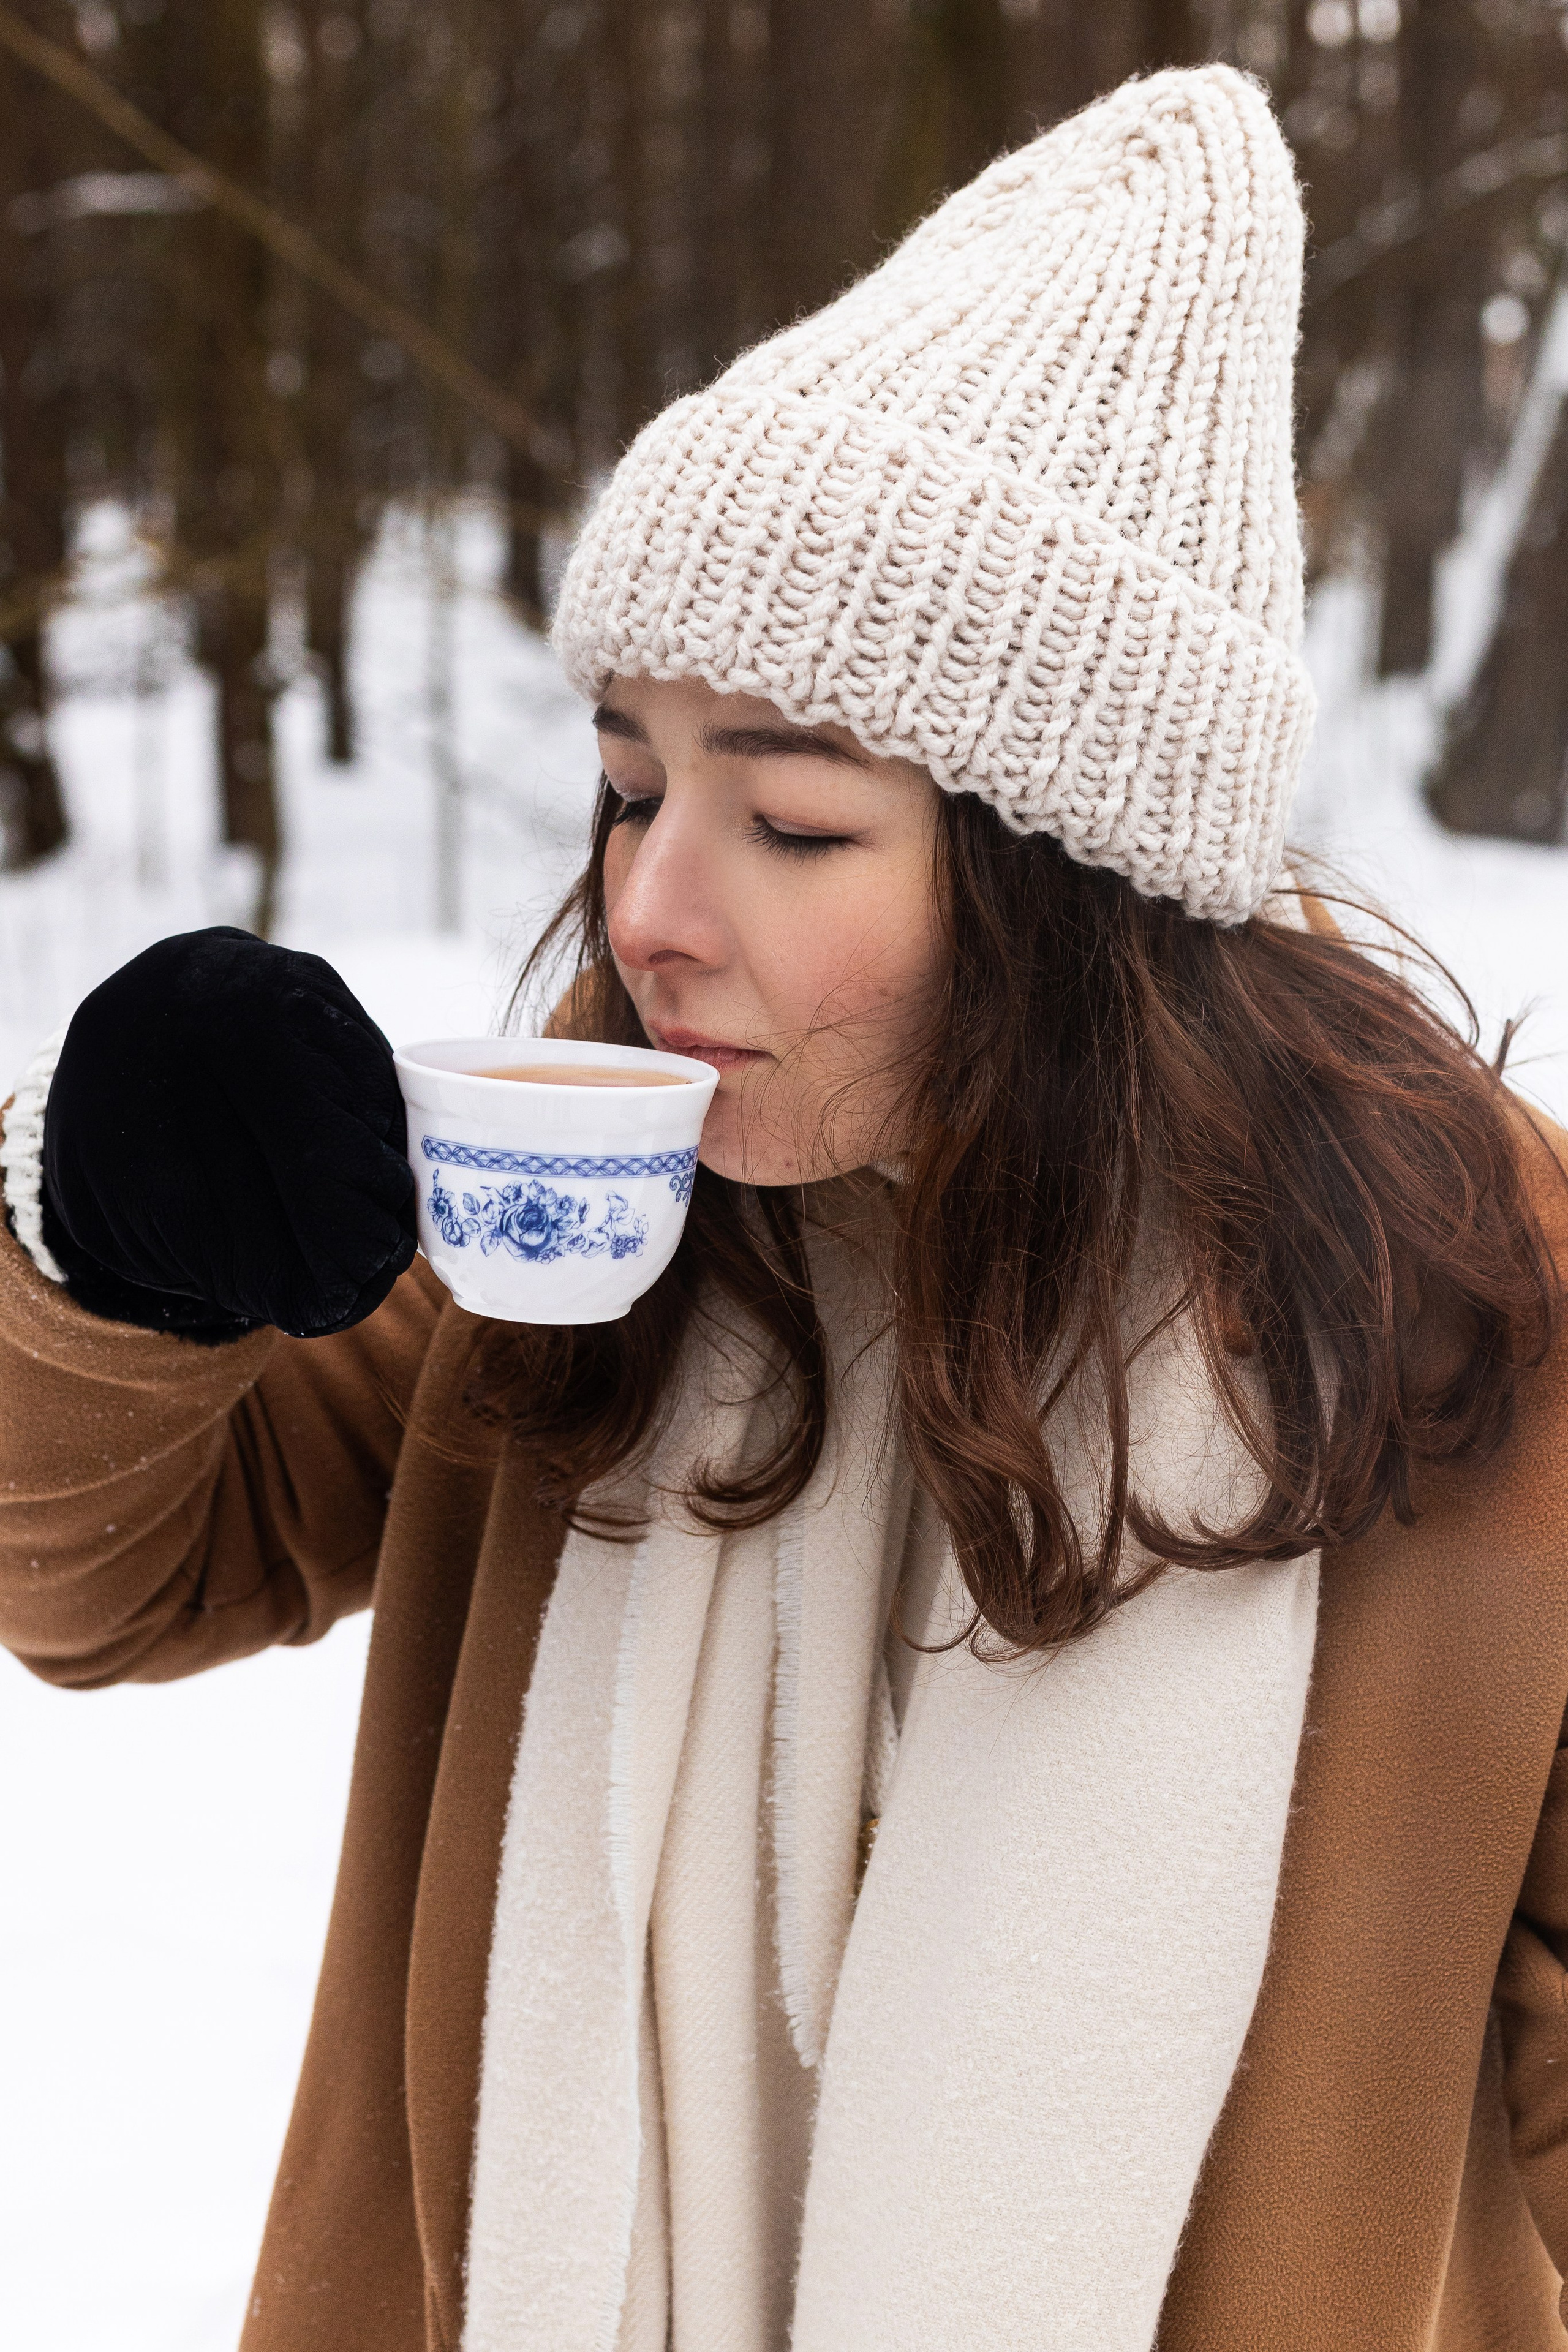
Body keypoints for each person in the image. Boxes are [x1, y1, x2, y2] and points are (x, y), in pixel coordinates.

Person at [2, 63, 1566, 2352]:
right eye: (631, 781)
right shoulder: (596, 1207)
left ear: (1076, 885)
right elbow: (121, 1580)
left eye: (797, 826)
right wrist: (117, 1248)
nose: (650, 904)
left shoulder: (1456, 1317)